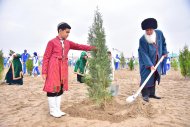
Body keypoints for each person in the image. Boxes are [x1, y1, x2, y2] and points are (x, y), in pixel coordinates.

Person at [42, 22, 95, 118]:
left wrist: (93, 48)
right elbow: (46, 57)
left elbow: (80, 46)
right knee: (53, 88)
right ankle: (52, 110)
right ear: (60, 31)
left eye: (69, 32)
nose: (68, 34)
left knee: (60, 87)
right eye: (67, 32)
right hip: (53, 67)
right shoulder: (51, 42)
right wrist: (44, 72)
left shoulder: (68, 43)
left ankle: (57, 109)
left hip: (63, 67)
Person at [138, 18, 168, 102]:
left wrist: (165, 52)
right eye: (147, 30)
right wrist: (150, 65)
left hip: (157, 60)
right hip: (145, 61)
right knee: (146, 76)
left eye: (150, 30)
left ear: (154, 29)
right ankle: (145, 95)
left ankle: (152, 94)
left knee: (154, 75)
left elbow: (163, 43)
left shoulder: (159, 33)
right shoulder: (142, 40)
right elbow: (144, 53)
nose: (149, 32)